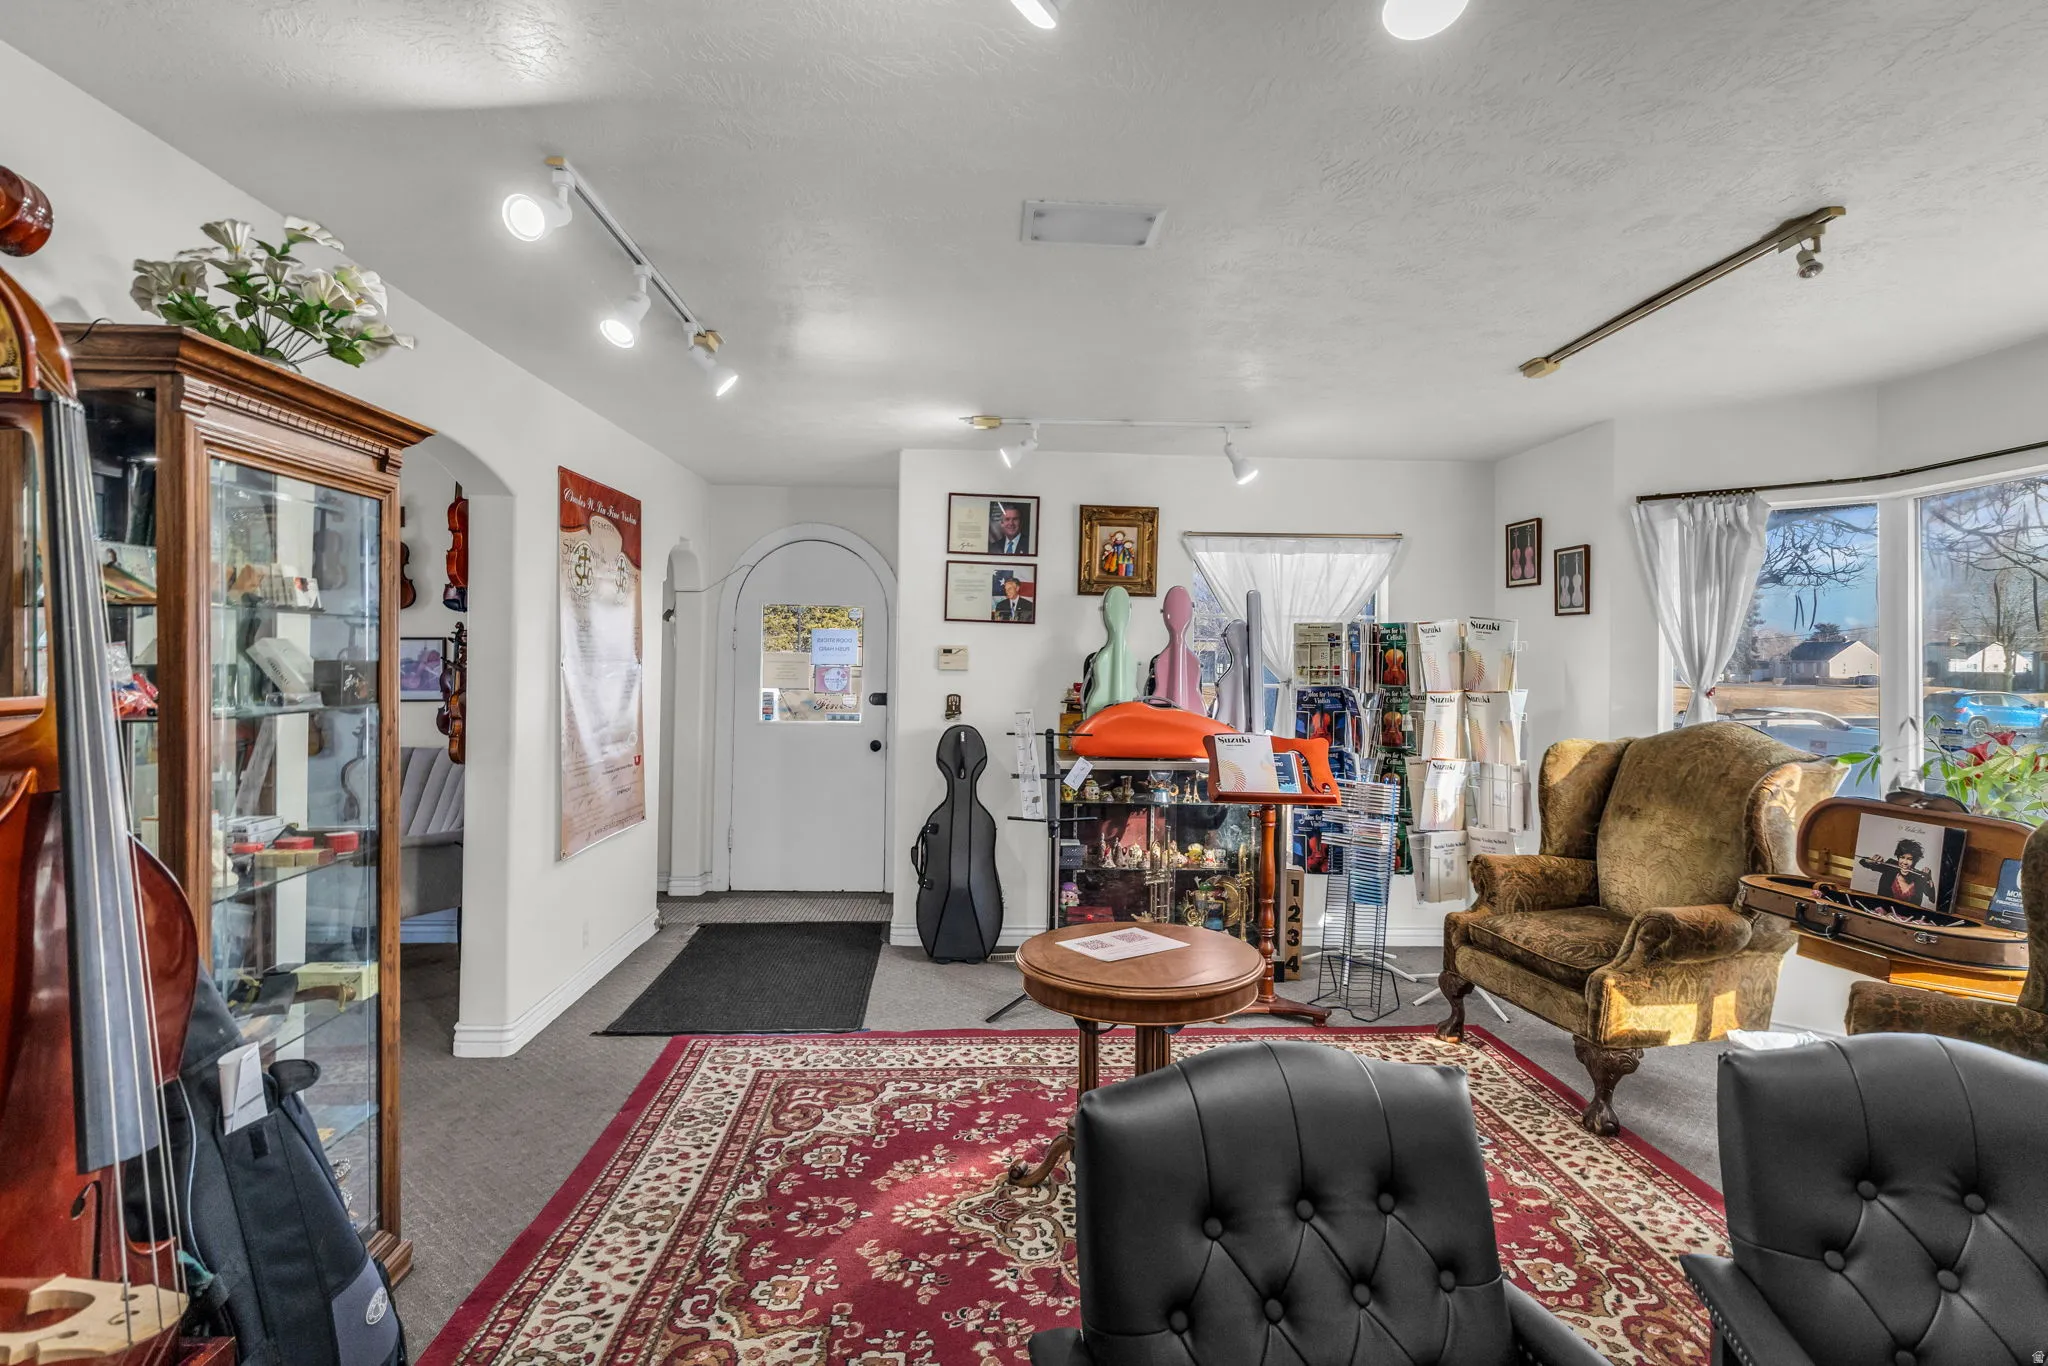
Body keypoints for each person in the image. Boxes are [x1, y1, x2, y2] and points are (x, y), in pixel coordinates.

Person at [1859, 837, 1935, 907]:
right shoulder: (1890, 866)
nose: (1904, 862)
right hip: (1882, 910)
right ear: (1898, 857)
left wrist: (1929, 879)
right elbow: (1862, 862)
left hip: (1907, 915)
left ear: (1915, 861)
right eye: (1902, 857)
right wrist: (1871, 861)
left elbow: (1932, 898)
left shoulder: (1919, 876)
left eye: (1909, 859)